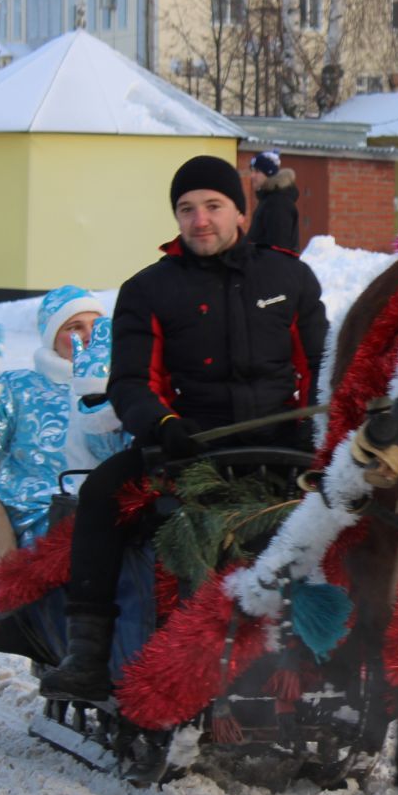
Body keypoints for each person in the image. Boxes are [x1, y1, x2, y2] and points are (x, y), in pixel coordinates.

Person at [39, 154, 328, 701]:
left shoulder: (289, 276)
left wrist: (316, 439)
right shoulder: (148, 289)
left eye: (214, 207)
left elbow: (321, 368)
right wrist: (164, 425)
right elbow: (130, 383)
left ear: (240, 213)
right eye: (187, 209)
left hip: (283, 446)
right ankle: (89, 655)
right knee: (100, 493)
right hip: (185, 448)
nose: (201, 220)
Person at [0, 286, 127, 545]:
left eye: (96, 326)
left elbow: (117, 452)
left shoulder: (125, 385)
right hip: (43, 521)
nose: (88, 336)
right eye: (75, 327)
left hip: (114, 514)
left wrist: (97, 392)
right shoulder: (19, 387)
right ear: (52, 338)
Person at [247, 149, 300, 252]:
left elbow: (279, 249)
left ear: (269, 174)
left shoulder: (278, 203)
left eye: (257, 171)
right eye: (252, 171)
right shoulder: (268, 200)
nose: (252, 176)